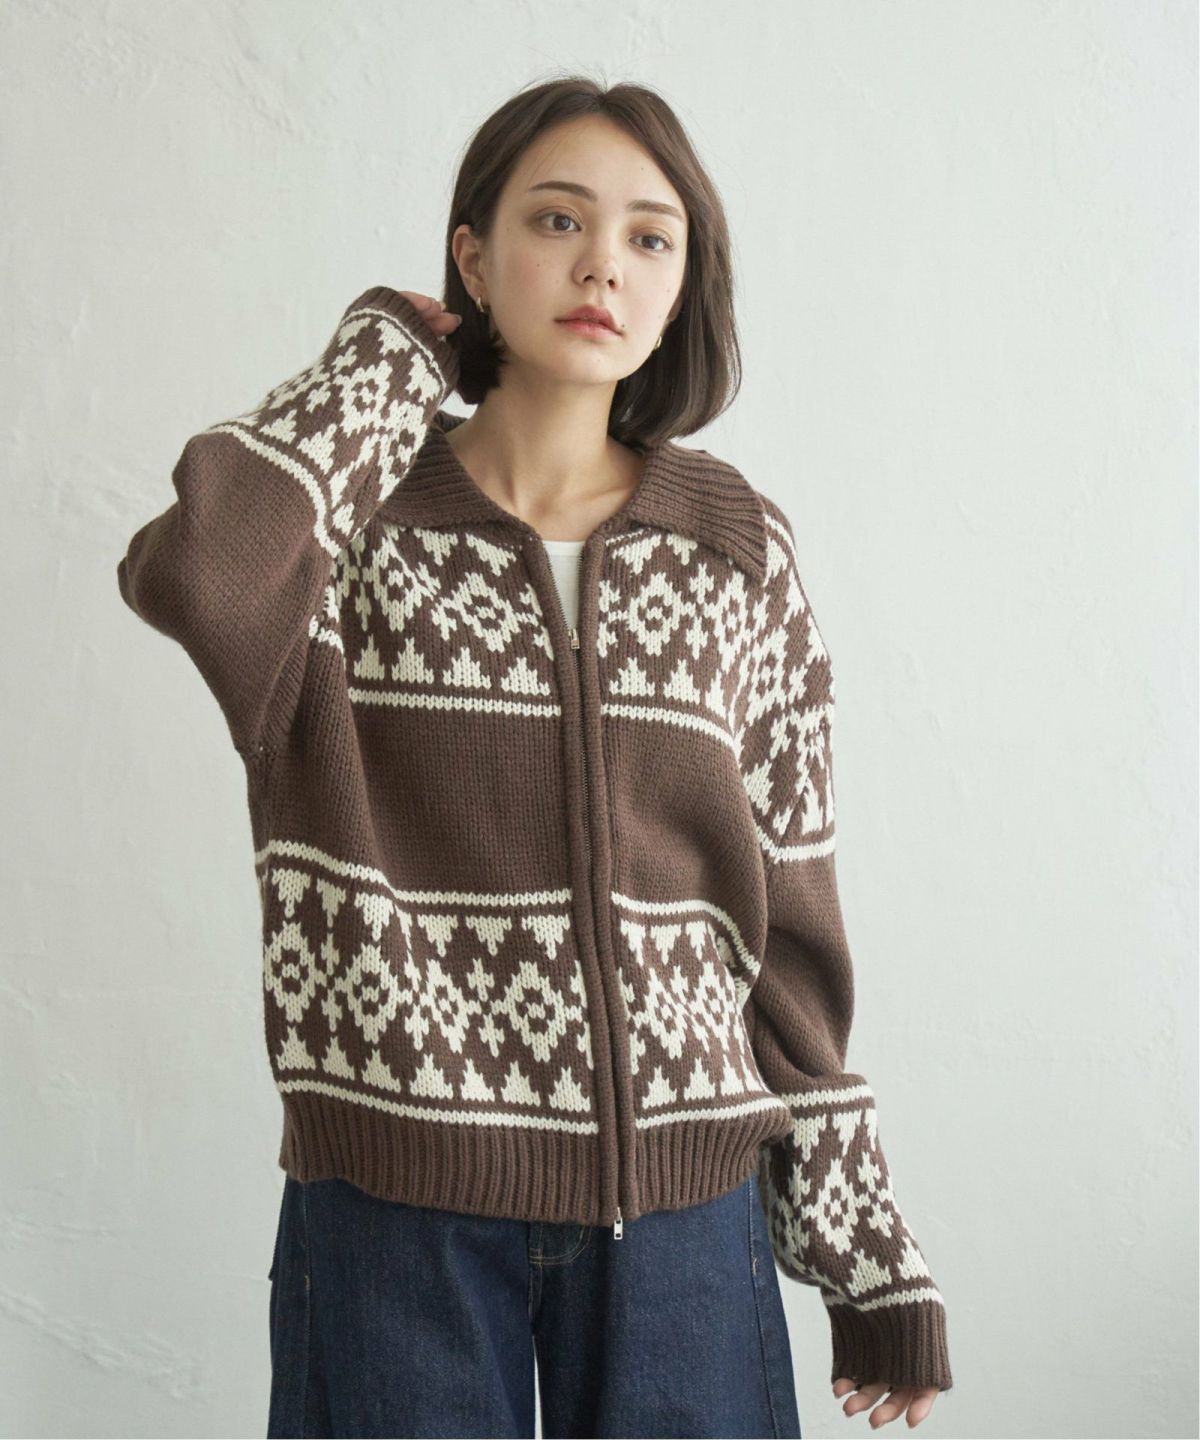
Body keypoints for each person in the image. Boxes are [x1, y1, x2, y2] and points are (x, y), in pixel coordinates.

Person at [118, 75, 952, 1438]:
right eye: (557, 220)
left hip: (686, 1225)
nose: (601, 265)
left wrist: (866, 1255)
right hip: (396, 1214)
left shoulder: (736, 549)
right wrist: (389, 360)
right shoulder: (350, 533)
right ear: (473, 253)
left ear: (682, 287)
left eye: (648, 237)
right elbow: (198, 572)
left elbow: (791, 926)